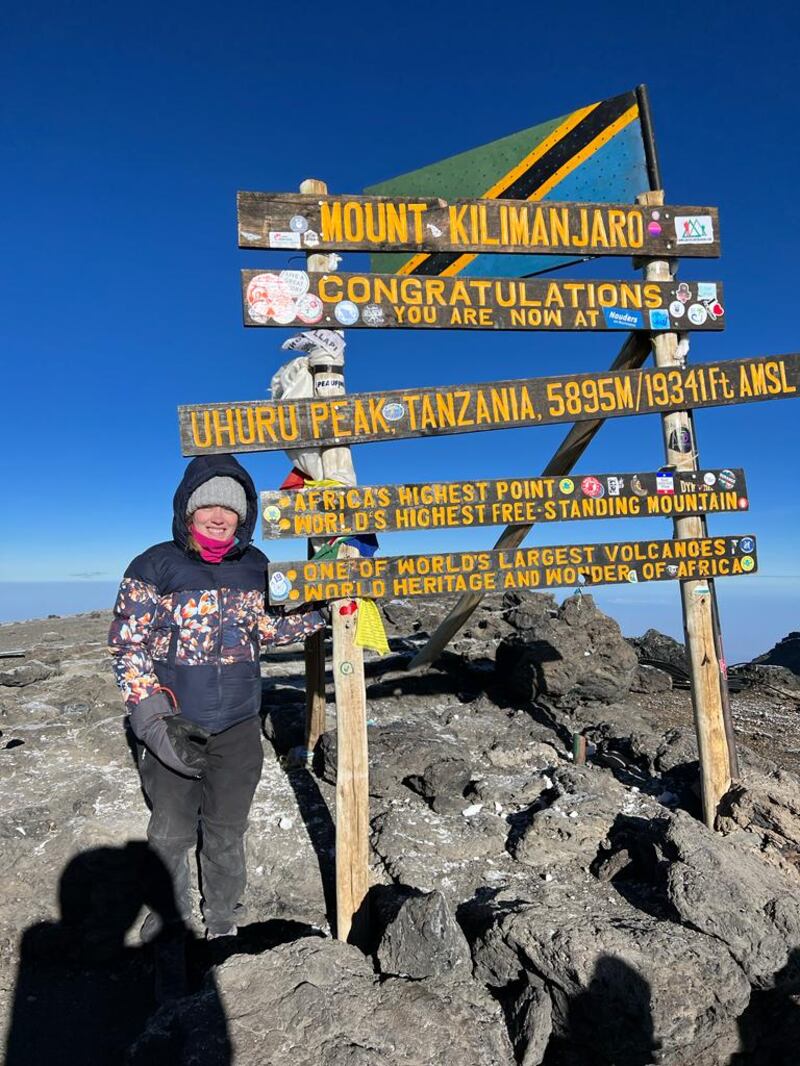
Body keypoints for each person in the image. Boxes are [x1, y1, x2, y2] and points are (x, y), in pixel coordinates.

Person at [108, 454, 326, 940]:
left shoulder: (255, 565)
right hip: (174, 725)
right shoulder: (153, 565)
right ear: (188, 509)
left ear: (243, 516)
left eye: (230, 508)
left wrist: (323, 613)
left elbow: (267, 629)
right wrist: (152, 721)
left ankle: (223, 920)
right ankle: (168, 921)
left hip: (239, 726)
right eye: (208, 505)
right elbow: (127, 644)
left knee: (227, 830)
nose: (219, 517)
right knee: (170, 833)